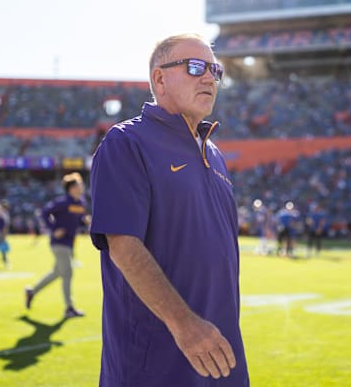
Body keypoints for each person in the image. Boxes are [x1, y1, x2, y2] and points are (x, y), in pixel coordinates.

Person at [89, 34, 248, 386]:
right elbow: (123, 245)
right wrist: (185, 324)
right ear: (159, 79)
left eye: (214, 69)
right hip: (157, 360)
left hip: (221, 353)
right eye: (195, 67)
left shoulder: (216, 155)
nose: (209, 78)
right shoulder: (127, 142)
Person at [25, 173, 89, 319]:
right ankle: (69, 308)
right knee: (68, 273)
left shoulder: (81, 203)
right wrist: (53, 229)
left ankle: (31, 292)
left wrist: (84, 221)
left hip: (70, 243)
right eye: (79, 184)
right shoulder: (63, 202)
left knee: (57, 273)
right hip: (59, 244)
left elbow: (76, 221)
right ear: (72, 188)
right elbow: (44, 212)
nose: (82, 187)